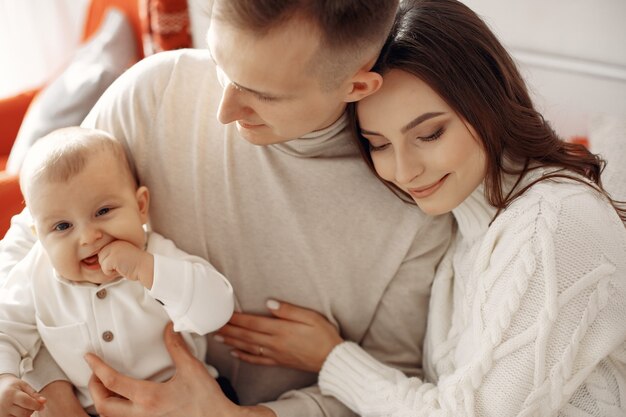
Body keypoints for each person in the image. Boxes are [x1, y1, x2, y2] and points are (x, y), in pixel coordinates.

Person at [0, 1, 453, 416]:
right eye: (220, 63)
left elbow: (384, 386)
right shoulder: (153, 91)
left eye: (263, 94)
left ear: (355, 85)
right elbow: (31, 245)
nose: (222, 111)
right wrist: (49, 387)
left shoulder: (412, 204)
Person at [211, 0, 626, 415]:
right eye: (379, 144)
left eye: (429, 134)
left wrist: (332, 359)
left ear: (487, 102)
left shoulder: (553, 222)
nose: (405, 171)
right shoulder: (460, 238)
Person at [0, 127, 235, 417]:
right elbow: (5, 328)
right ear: (40, 237)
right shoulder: (35, 274)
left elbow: (217, 310)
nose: (88, 237)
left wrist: (145, 269)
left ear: (140, 206)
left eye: (103, 211)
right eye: (62, 227)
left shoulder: (156, 255)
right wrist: (4, 377)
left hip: (194, 400)